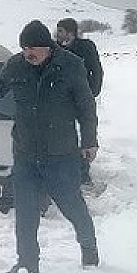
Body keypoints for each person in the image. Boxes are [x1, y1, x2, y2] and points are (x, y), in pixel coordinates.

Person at [0, 20, 100, 273]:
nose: (29, 54)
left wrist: (89, 141)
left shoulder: (71, 66)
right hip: (26, 152)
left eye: (34, 49)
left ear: (47, 47)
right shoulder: (17, 65)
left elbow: (86, 107)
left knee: (72, 205)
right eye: (25, 48)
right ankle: (27, 263)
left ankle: (89, 250)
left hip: (60, 154)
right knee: (26, 212)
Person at [56, 17, 103, 184]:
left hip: (82, 98)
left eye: (60, 30)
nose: (58, 34)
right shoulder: (55, 49)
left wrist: (92, 92)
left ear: (70, 32)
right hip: (61, 100)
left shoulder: (86, 47)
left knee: (85, 133)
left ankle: (83, 171)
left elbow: (96, 71)